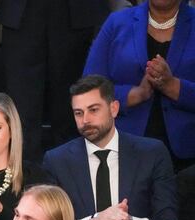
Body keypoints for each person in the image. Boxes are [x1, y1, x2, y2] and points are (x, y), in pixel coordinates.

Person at [43, 75, 178, 220]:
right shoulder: (57, 161)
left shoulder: (151, 153)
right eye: (78, 113)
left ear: (114, 108)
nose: (85, 119)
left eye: (93, 110)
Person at [0, 0, 110, 162]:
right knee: (21, 110)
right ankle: (24, 179)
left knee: (71, 105)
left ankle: (69, 179)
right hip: (23, 11)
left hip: (75, 11)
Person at [83, 0, 195, 171]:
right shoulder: (117, 23)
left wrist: (173, 86)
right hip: (122, 151)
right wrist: (136, 94)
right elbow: (88, 90)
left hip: (187, 156)